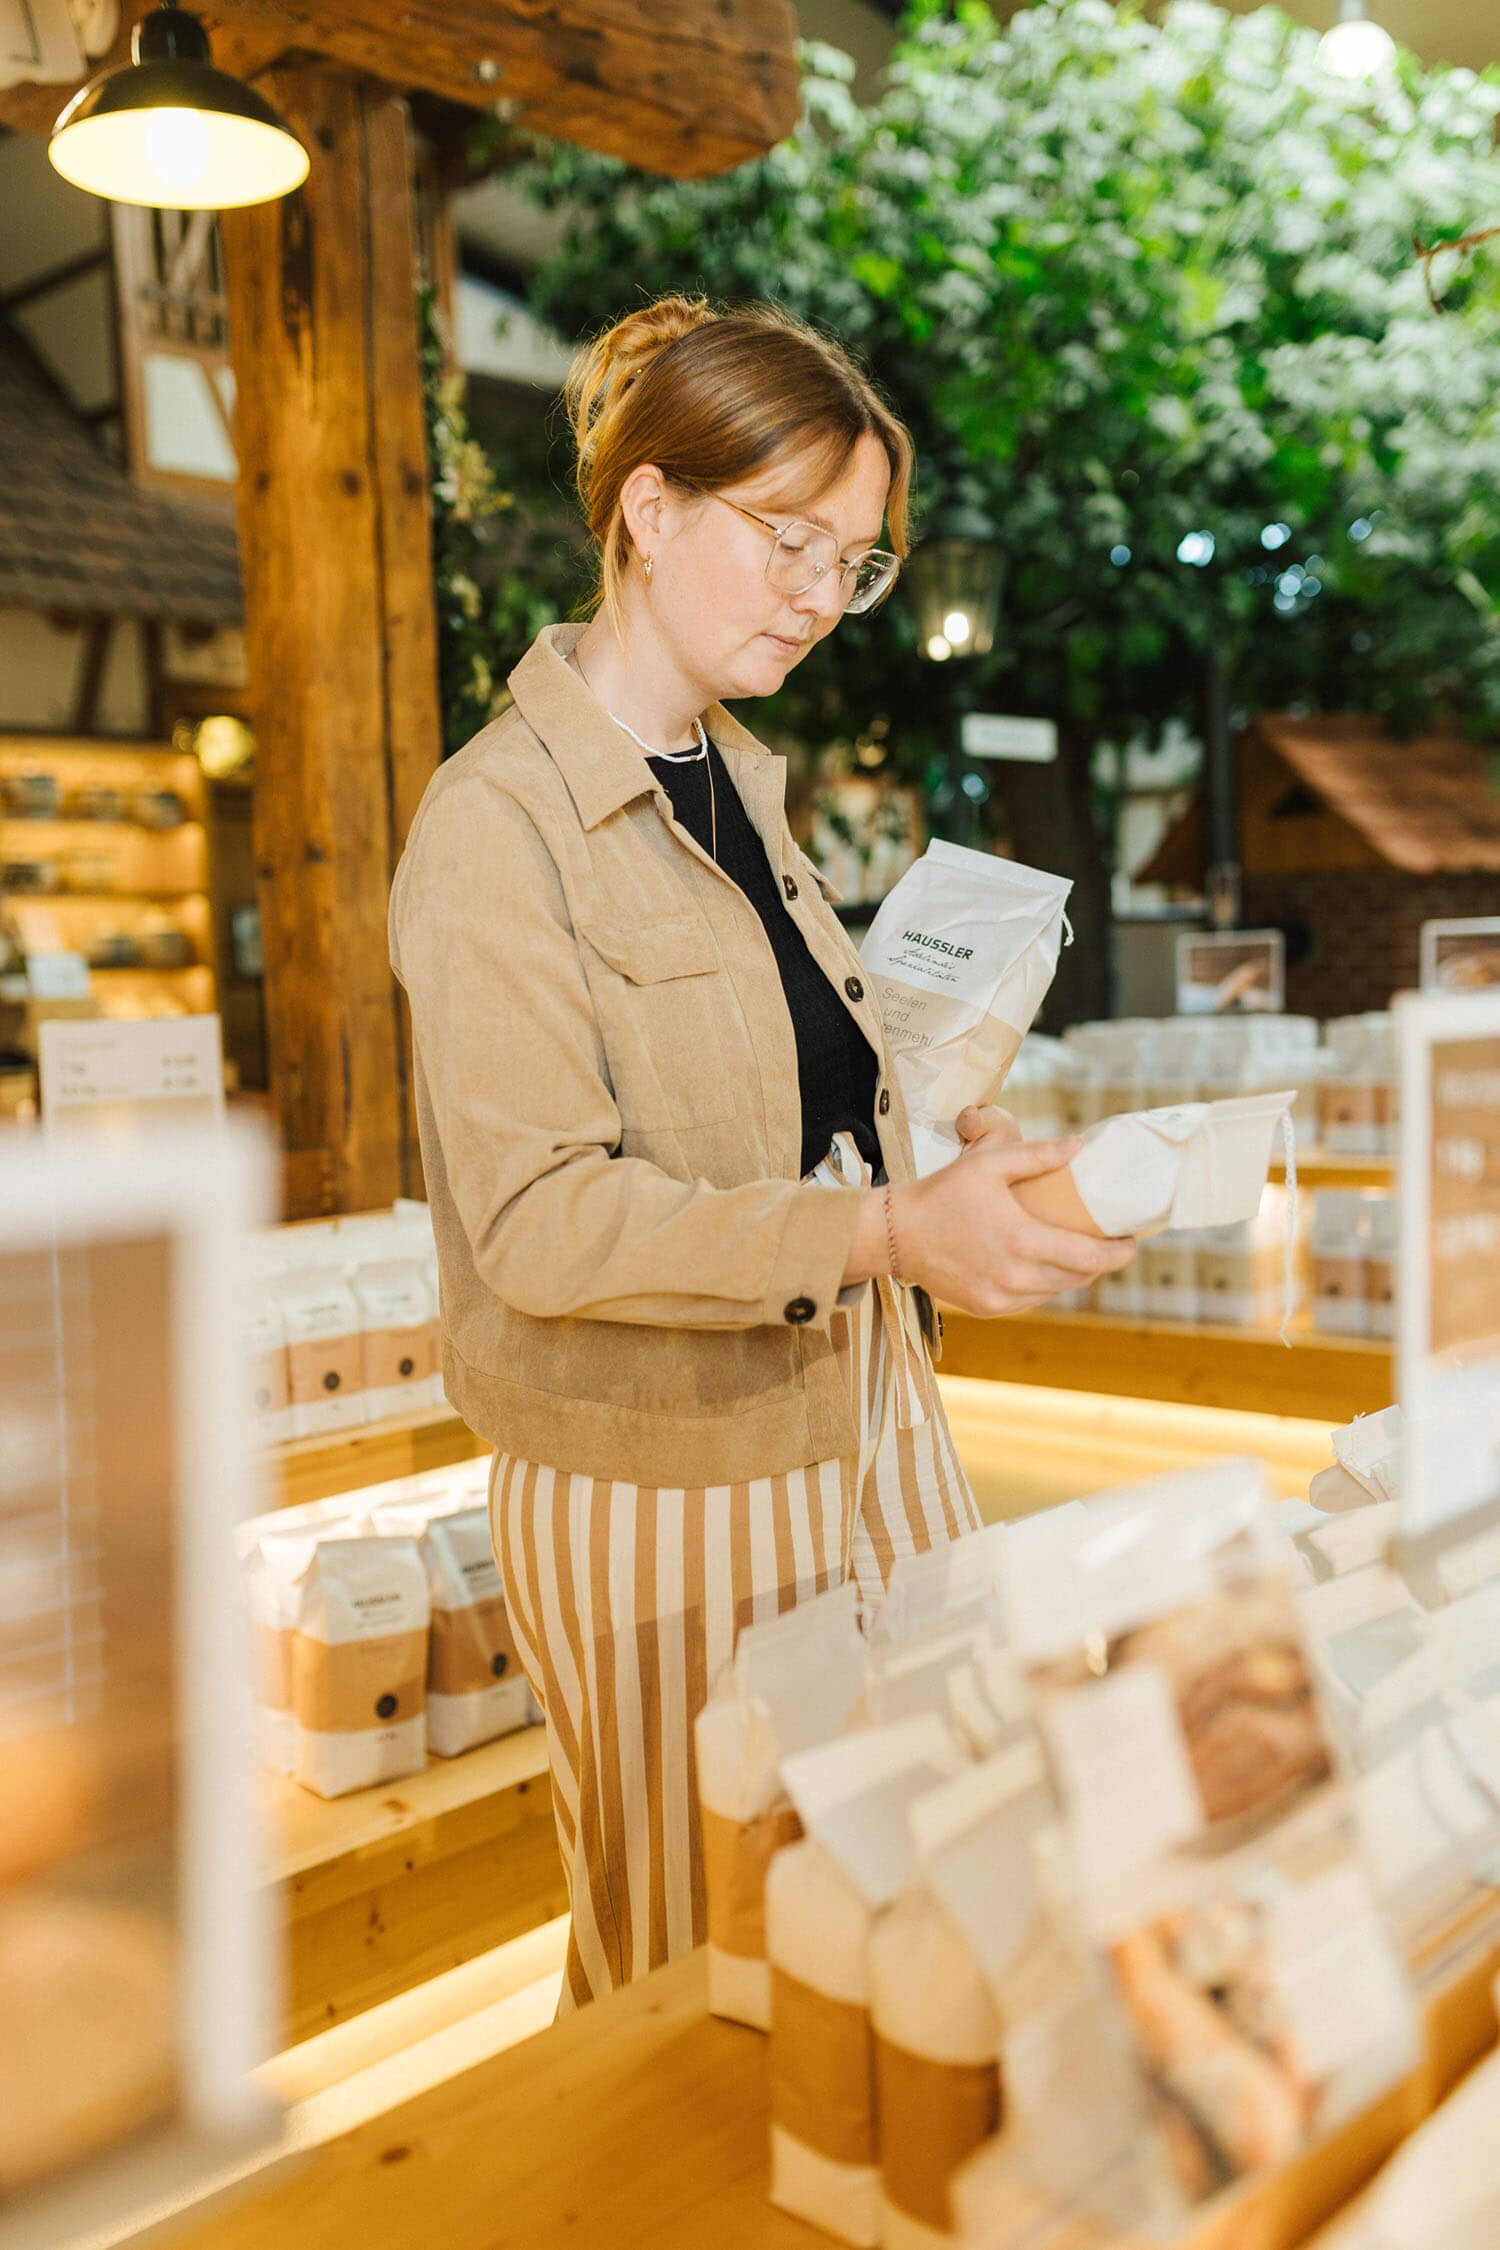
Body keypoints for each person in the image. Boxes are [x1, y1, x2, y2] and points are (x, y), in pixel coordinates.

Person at [390, 294, 1133, 2010]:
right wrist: (886, 1239)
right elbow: (538, 1221)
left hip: (875, 1427)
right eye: (789, 540)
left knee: (905, 1899)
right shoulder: (497, 825)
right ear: (646, 511)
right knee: (697, 1956)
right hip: (662, 1486)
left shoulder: (749, 780)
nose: (822, 594)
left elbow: (794, 1110)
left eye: (854, 560)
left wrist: (941, 1145)